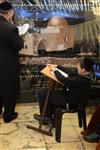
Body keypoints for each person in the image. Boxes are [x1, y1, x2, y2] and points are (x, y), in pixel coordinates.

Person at [33, 57, 95, 125]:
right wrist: (58, 67)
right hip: (74, 99)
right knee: (50, 93)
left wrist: (55, 71)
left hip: (69, 102)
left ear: (83, 70)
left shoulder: (81, 81)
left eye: (78, 68)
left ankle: (46, 117)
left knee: (42, 93)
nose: (77, 69)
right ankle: (49, 117)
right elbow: (72, 73)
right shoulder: (88, 76)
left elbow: (64, 80)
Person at [0, 1, 24, 123]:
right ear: (9, 13)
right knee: (9, 90)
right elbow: (18, 45)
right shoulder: (11, 28)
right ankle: (8, 116)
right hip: (7, 65)